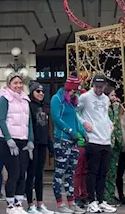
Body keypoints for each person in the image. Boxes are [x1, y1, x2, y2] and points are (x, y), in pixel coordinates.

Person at [0, 72, 34, 214]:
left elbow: (28, 122)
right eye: (15, 83)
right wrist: (8, 139)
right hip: (6, 140)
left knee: (22, 172)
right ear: (9, 84)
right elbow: (2, 119)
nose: (18, 86)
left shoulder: (25, 99)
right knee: (14, 171)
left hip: (22, 139)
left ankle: (18, 203)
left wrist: (30, 140)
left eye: (20, 83)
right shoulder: (5, 98)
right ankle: (10, 204)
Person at [76, 74, 116, 213]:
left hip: (105, 139)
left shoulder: (106, 99)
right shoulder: (85, 97)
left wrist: (110, 124)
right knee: (92, 172)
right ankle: (91, 201)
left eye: (101, 87)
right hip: (93, 139)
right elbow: (76, 112)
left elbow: (104, 115)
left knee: (103, 172)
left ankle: (101, 200)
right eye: (97, 87)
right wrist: (83, 123)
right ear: (93, 85)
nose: (99, 89)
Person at [51, 73, 86, 214]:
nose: (74, 93)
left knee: (70, 173)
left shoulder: (72, 102)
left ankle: (71, 203)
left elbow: (76, 119)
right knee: (60, 173)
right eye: (73, 90)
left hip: (73, 141)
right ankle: (60, 204)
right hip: (62, 140)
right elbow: (56, 118)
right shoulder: (57, 99)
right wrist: (71, 131)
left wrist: (83, 133)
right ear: (68, 88)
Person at [25, 81, 54, 214]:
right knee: (31, 174)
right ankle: (30, 204)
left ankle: (40, 204)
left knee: (39, 175)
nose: (41, 93)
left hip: (42, 143)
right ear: (32, 92)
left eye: (42, 91)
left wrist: (50, 145)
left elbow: (45, 128)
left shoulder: (43, 108)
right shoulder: (29, 105)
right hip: (32, 144)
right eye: (38, 91)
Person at [104, 88, 125, 207]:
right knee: (107, 171)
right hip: (108, 142)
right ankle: (106, 196)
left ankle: (111, 195)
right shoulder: (107, 109)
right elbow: (113, 123)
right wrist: (116, 110)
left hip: (116, 142)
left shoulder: (115, 108)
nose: (114, 97)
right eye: (112, 95)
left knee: (113, 171)